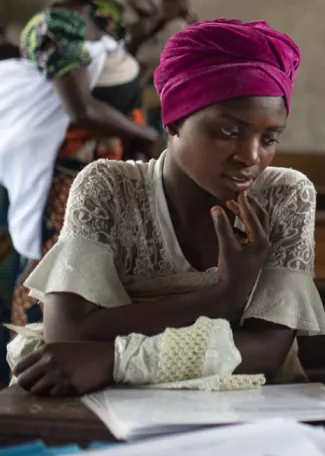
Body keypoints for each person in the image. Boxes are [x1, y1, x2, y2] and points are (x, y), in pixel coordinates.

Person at [9, 18, 325, 396]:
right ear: (174, 120)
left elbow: (267, 351)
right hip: (116, 409)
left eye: (270, 137)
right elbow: (67, 334)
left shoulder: (284, 195)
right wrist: (223, 296)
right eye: (229, 132)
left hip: (250, 406)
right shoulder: (109, 187)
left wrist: (114, 360)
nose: (251, 157)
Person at [0, 0, 199, 338]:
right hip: (71, 176)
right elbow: (80, 107)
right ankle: (38, 357)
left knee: (106, 274)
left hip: (110, 167)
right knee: (57, 273)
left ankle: (89, 355)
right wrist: (146, 134)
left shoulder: (101, 16)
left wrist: (157, 18)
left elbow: (121, 62)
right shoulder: (53, 26)